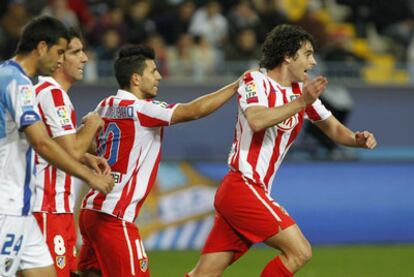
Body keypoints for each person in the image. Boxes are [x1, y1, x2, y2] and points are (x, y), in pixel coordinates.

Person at [186, 24, 377, 277]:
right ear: (288, 55)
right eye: (308, 54)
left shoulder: (300, 92)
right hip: (242, 186)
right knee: (300, 251)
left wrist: (357, 138)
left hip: (251, 192)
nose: (313, 61)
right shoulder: (255, 80)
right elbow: (256, 120)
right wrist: (301, 102)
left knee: (204, 274)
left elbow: (333, 129)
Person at [77, 44, 239, 277]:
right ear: (135, 78)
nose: (159, 76)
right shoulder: (141, 109)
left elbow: (93, 144)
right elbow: (193, 111)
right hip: (115, 216)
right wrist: (234, 86)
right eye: (153, 71)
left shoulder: (105, 105)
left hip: (91, 211)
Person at [0, 16, 114, 277]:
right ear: (42, 47)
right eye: (60, 51)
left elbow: (45, 141)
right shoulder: (18, 83)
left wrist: (84, 157)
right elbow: (41, 142)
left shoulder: (20, 81)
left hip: (25, 207)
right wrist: (89, 175)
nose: (61, 59)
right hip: (12, 204)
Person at [32, 28, 109, 276]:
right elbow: (73, 149)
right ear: (58, 58)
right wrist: (92, 125)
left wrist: (85, 154)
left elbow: (54, 146)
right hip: (45, 207)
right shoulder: (52, 94)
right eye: (76, 52)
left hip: (57, 209)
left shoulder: (49, 94)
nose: (85, 58)